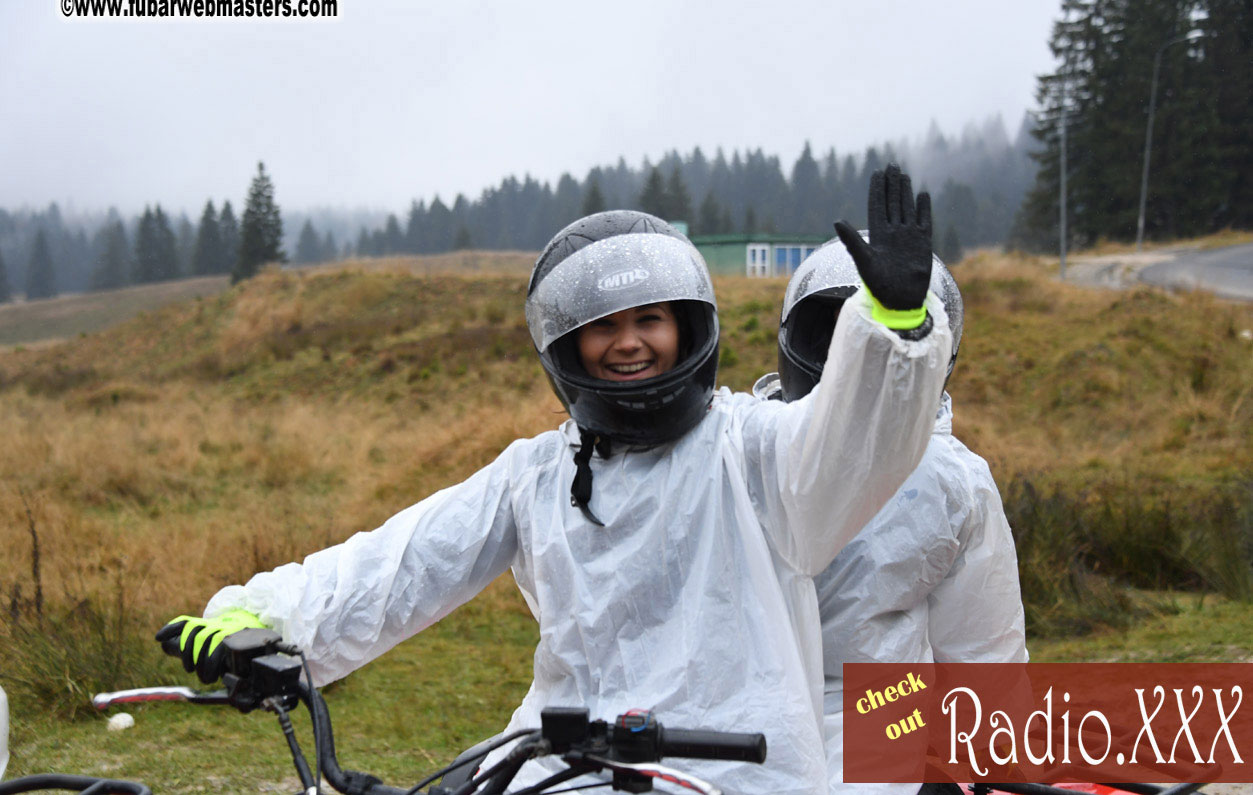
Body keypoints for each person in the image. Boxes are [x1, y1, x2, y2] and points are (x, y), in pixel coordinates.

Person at [157, 165, 952, 794]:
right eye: (603, 327)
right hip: (562, 764)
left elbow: (855, 448)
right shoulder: (538, 472)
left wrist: (892, 332)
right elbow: (407, 559)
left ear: (687, 327)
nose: (629, 343)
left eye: (649, 320)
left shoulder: (753, 449)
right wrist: (269, 616)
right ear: (568, 349)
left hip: (731, 768)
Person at [754, 234, 1028, 795]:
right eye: (839, 335)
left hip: (873, 743)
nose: (857, 357)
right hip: (724, 732)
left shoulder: (952, 482)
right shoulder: (735, 449)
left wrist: (1001, 772)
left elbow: (982, 659)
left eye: (886, 338)